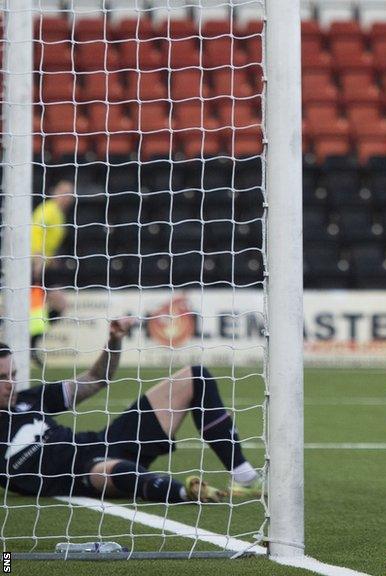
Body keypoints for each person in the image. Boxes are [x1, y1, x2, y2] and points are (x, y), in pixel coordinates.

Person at [0, 319, 264, 504]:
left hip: (107, 441)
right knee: (119, 471)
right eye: (2, 377)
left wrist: (114, 341)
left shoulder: (29, 399)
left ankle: (245, 478)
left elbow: (97, 377)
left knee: (197, 377)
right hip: (82, 472)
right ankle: (185, 493)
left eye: (13, 374)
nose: (11, 383)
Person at [29, 179, 75, 366]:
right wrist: (38, 259)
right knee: (29, 308)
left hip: (45, 265)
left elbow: (49, 240)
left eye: (70, 194)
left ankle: (31, 343)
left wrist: (51, 257)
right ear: (54, 192)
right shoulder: (47, 210)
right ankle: (29, 344)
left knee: (59, 304)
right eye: (63, 192)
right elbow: (36, 233)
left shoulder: (59, 214)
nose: (67, 197)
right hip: (35, 265)